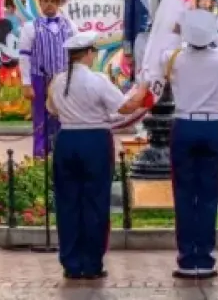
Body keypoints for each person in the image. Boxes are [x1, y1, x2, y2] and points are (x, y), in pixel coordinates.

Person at [47, 31, 147, 279]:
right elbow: (125, 107)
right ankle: (92, 263)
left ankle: (71, 263)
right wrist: (144, 90)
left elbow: (52, 109)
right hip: (94, 140)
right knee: (95, 201)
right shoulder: (97, 80)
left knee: (67, 203)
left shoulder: (58, 81)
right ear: (89, 54)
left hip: (67, 139)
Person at [152, 8, 218, 279]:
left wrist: (178, 32)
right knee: (209, 195)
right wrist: (213, 33)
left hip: (185, 124)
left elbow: (161, 52)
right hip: (212, 125)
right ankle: (206, 257)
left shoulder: (175, 58)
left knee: (184, 194)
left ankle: (187, 259)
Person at [18, 0, 76, 158]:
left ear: (58, 4)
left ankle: (62, 155)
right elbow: (24, 57)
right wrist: (26, 83)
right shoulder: (30, 27)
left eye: (52, 1)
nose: (49, 4)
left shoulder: (70, 26)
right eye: (45, 1)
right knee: (40, 119)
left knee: (64, 117)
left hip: (64, 80)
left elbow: (76, 53)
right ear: (40, 3)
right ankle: (40, 157)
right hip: (40, 78)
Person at [122, 0, 152, 81]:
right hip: (141, 37)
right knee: (141, 74)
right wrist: (127, 50)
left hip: (160, 37)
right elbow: (128, 21)